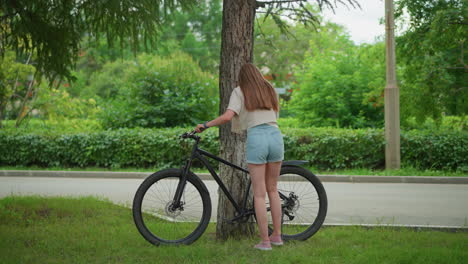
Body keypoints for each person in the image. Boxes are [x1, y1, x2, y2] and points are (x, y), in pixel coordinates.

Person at [195, 63, 284, 251]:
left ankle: (265, 242)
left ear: (242, 77)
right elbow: (276, 114)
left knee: (259, 194)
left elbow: (228, 117)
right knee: (273, 190)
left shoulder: (239, 90)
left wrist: (206, 124)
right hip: (276, 135)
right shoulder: (270, 89)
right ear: (258, 74)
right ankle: (277, 236)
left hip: (258, 137)